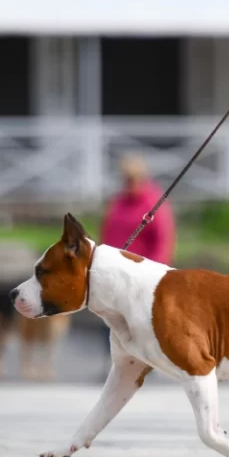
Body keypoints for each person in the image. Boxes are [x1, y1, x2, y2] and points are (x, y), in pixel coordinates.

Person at [95, 154, 176, 376]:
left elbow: (163, 240)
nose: (129, 183)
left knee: (143, 322)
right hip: (114, 272)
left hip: (141, 274)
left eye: (133, 178)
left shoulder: (154, 201)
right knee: (112, 319)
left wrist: (154, 273)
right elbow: (107, 232)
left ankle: (150, 366)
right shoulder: (118, 201)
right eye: (125, 178)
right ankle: (113, 365)